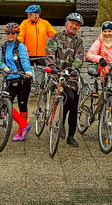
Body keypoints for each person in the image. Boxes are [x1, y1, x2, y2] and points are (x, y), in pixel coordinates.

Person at [45, 12, 85, 147]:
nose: (74, 26)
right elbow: (49, 52)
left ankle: (71, 135)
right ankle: (60, 123)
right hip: (58, 76)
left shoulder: (79, 42)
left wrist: (73, 68)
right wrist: (52, 67)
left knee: (75, 105)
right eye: (72, 23)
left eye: (77, 25)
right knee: (69, 96)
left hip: (72, 77)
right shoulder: (56, 37)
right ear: (66, 23)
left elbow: (80, 57)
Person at [0, 23, 34, 141]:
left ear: (16, 34)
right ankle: (24, 126)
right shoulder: (3, 46)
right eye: (8, 33)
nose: (10, 35)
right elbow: (1, 60)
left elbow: (25, 60)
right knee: (5, 103)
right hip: (10, 78)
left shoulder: (20, 46)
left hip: (23, 79)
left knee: (22, 105)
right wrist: (4, 67)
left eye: (13, 33)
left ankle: (21, 130)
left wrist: (29, 71)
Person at [17, 5, 56, 86]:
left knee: (41, 76)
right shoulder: (25, 23)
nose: (28, 16)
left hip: (41, 55)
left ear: (37, 15)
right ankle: (26, 88)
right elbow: (20, 36)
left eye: (30, 14)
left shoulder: (45, 23)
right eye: (28, 14)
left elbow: (53, 35)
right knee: (26, 75)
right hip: (28, 55)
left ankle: (40, 89)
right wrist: (19, 47)